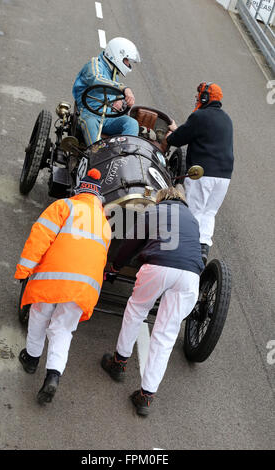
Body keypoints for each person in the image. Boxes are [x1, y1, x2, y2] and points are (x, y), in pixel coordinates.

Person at [102, 186, 204, 416]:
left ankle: (119, 363)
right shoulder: (193, 220)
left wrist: (115, 266)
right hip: (189, 276)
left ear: (161, 198)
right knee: (166, 334)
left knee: (136, 310)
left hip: (158, 266)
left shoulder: (155, 211)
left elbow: (131, 242)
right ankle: (145, 396)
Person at [15, 169, 111, 405]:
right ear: (98, 197)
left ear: (79, 189)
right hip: (84, 289)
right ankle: (53, 375)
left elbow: (40, 237)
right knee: (63, 329)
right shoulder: (105, 225)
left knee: (39, 315)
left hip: (52, 278)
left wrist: (23, 270)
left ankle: (31, 359)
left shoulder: (64, 206)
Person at [166, 82, 234, 264]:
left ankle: (186, 253)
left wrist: (171, 136)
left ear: (205, 98)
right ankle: (202, 248)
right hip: (224, 177)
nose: (197, 98)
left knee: (194, 211)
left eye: (199, 95)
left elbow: (179, 138)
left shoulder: (200, 116)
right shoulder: (226, 119)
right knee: (209, 212)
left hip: (203, 173)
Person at [72, 37, 141, 146]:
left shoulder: (113, 72)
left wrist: (121, 101)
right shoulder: (94, 65)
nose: (128, 64)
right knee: (90, 123)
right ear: (118, 55)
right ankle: (97, 155)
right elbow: (97, 80)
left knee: (131, 123)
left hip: (108, 117)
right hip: (89, 114)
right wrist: (124, 89)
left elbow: (113, 90)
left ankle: (125, 155)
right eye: (127, 60)